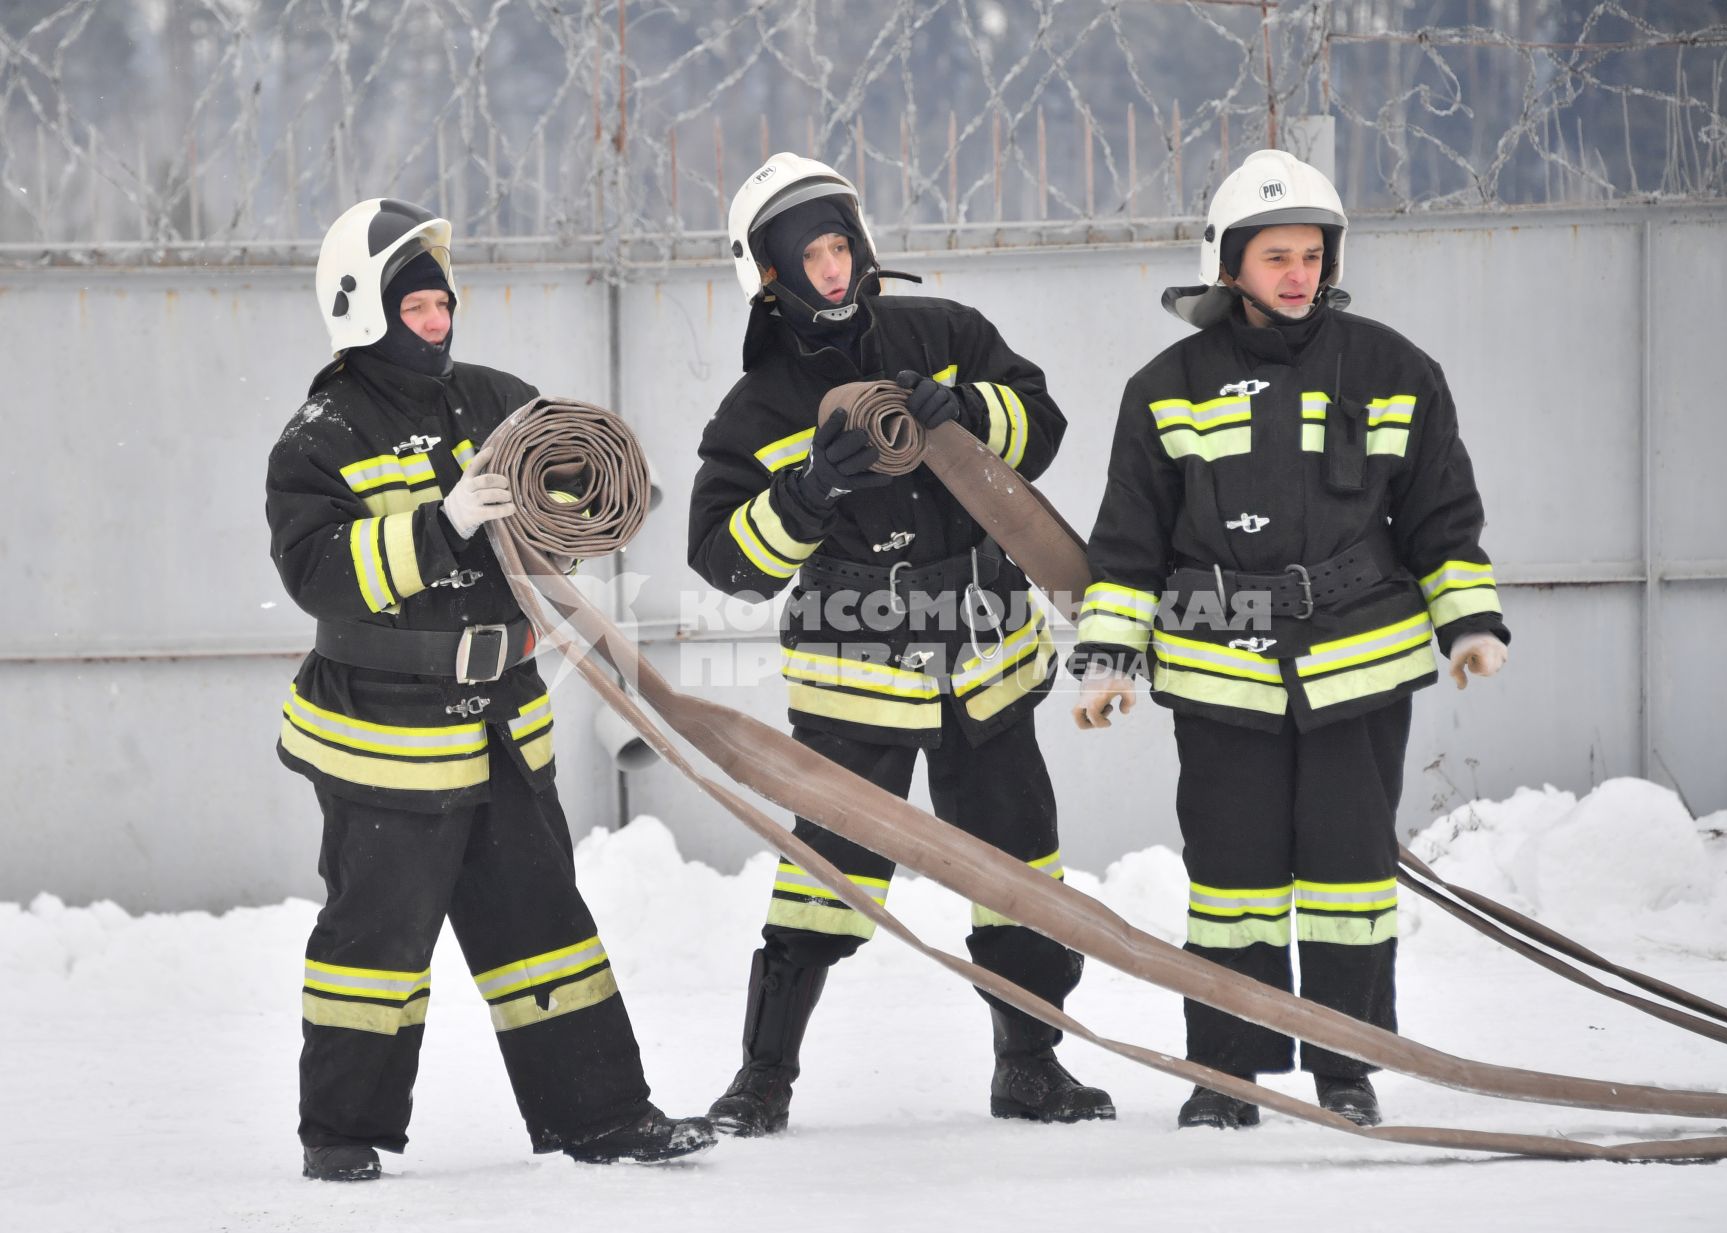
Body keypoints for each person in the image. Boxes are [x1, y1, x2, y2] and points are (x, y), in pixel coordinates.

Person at [266, 197, 715, 1179]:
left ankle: (602, 1115)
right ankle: (341, 1132)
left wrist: (592, 495)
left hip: (503, 725)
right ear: (362, 309)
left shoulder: (500, 398)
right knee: (375, 943)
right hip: (384, 735)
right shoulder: (320, 435)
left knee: (544, 924)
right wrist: (443, 522)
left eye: (441, 303)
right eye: (414, 307)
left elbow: (588, 509)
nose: (436, 321)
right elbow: (316, 570)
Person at [1070, 150, 1508, 1130]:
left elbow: (1441, 515)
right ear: (1229, 263)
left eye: (1311, 254)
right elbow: (1129, 543)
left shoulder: (1395, 369)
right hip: (1219, 669)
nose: (1298, 273)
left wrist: (1469, 621)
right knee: (1232, 882)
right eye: (1276, 255)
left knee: (1351, 876)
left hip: (1362, 664)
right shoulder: (1166, 386)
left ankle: (1346, 1063)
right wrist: (1107, 659)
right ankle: (1226, 1071)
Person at [686, 154, 1114, 1135]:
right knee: (823, 879)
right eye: (809, 257)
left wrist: (969, 412)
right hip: (856, 687)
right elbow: (725, 560)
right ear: (770, 275)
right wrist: (806, 490)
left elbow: (1040, 423)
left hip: (988, 667)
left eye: (841, 246)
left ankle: (1030, 1065)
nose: (832, 271)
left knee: (1019, 869)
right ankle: (763, 1078)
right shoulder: (759, 407)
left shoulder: (944, 335)